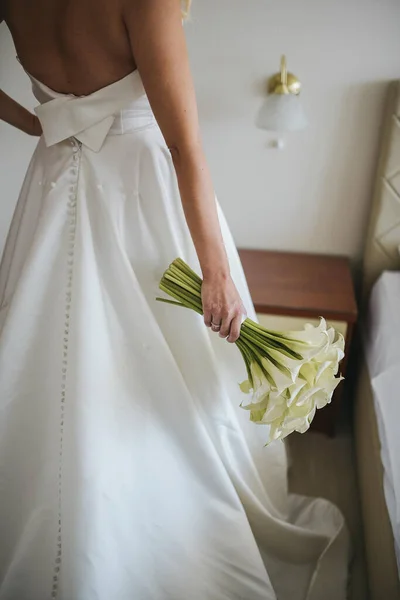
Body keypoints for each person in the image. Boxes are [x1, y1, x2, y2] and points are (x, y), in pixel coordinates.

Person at [0, 1, 349, 599]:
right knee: (160, 377)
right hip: (143, 199)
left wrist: (39, 122)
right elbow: (185, 145)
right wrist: (215, 270)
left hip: (53, 184)